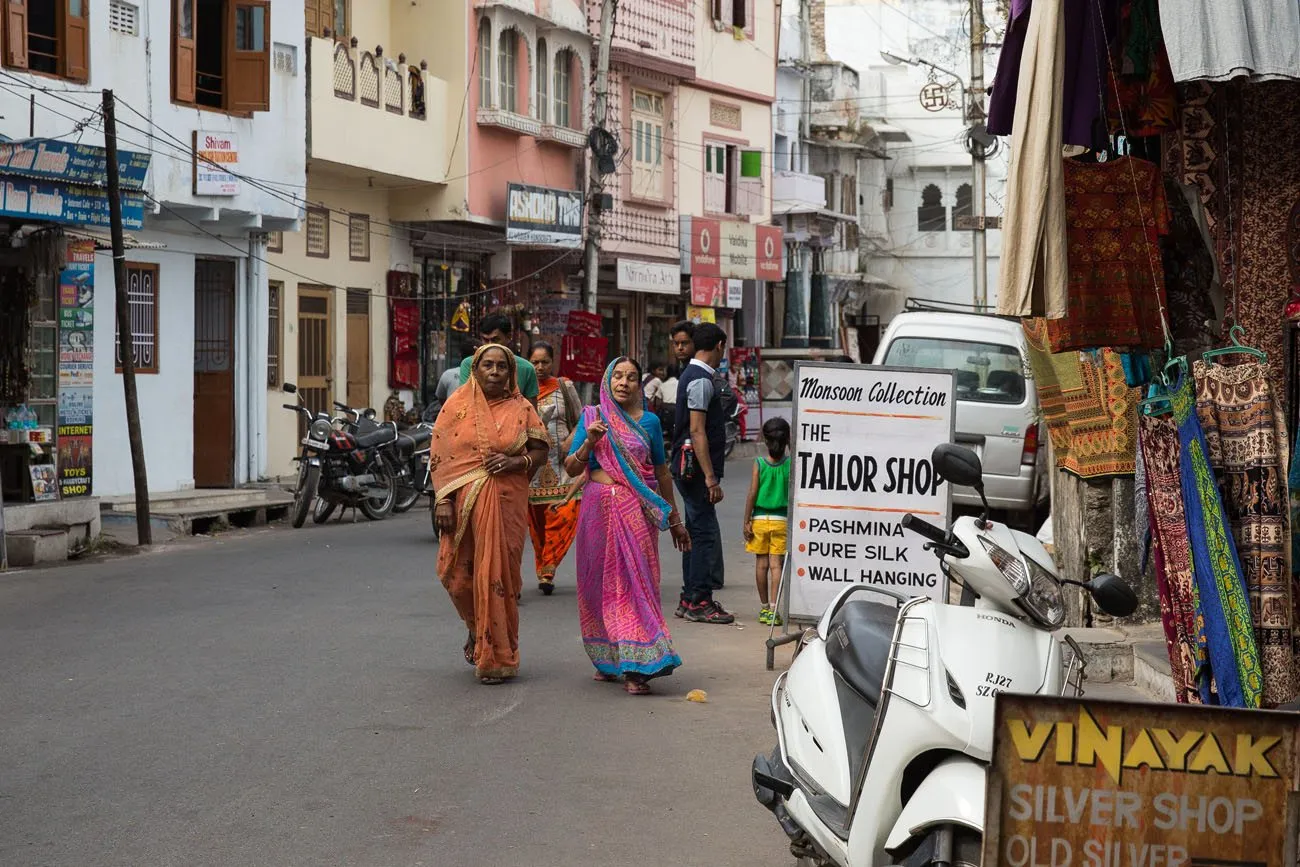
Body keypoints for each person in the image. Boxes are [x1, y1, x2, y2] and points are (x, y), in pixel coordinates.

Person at [565, 358, 691, 695]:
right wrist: (589, 442)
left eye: (631, 377)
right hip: (596, 508)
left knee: (636, 583)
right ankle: (610, 659)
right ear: (607, 380)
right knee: (596, 584)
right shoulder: (592, 417)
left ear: (640, 385)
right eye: (617, 376)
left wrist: (675, 521)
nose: (623, 382)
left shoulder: (648, 422)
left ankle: (639, 665)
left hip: (635, 510)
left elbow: (662, 472)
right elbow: (569, 464)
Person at [431, 345, 549, 685]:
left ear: (510, 372)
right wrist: (442, 500)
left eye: (501, 366)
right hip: (461, 503)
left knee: (499, 577)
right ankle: (474, 627)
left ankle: (498, 656)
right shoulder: (455, 407)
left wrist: (516, 462)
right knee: (455, 577)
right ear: (475, 369)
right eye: (487, 365)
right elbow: (441, 455)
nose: (494, 371)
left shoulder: (522, 408)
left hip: (507, 501)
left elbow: (539, 451)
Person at [670, 322, 734, 624]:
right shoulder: (701, 381)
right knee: (704, 534)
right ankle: (700, 600)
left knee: (694, 533)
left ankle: (688, 597)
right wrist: (710, 478)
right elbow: (697, 432)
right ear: (719, 346)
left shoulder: (693, 376)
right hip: (695, 473)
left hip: (688, 470)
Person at [527, 341, 583, 594]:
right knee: (537, 521)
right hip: (531, 468)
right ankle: (544, 570)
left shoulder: (564, 386)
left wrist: (570, 442)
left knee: (564, 512)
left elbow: (580, 418)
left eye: (545, 362)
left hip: (561, 464)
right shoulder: (520, 389)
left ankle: (549, 564)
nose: (540, 367)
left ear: (553, 362)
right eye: (535, 362)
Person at [743, 418, 791, 626]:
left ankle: (763, 609)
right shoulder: (792, 464)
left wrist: (747, 520)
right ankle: (774, 610)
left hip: (760, 520)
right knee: (775, 565)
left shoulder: (759, 464)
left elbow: (752, 493)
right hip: (782, 520)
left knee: (761, 564)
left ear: (764, 440)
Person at [457, 312, 540, 405]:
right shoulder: (469, 364)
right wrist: (477, 366)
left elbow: (531, 413)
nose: (489, 345)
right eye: (485, 340)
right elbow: (465, 403)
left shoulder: (527, 368)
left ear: (508, 337)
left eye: (495, 340)